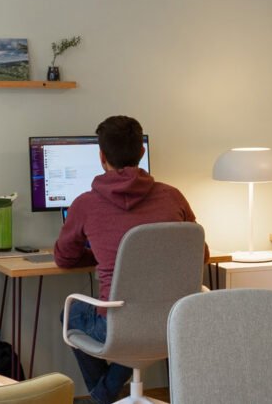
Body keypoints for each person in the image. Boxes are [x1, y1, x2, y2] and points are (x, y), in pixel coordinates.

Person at [55, 115, 207, 404]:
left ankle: (103, 395)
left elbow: (64, 257)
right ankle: (107, 392)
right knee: (141, 324)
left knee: (71, 313)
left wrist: (102, 255)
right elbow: (200, 254)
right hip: (174, 322)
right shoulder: (173, 196)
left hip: (116, 327)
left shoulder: (85, 204)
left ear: (101, 157)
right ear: (142, 152)